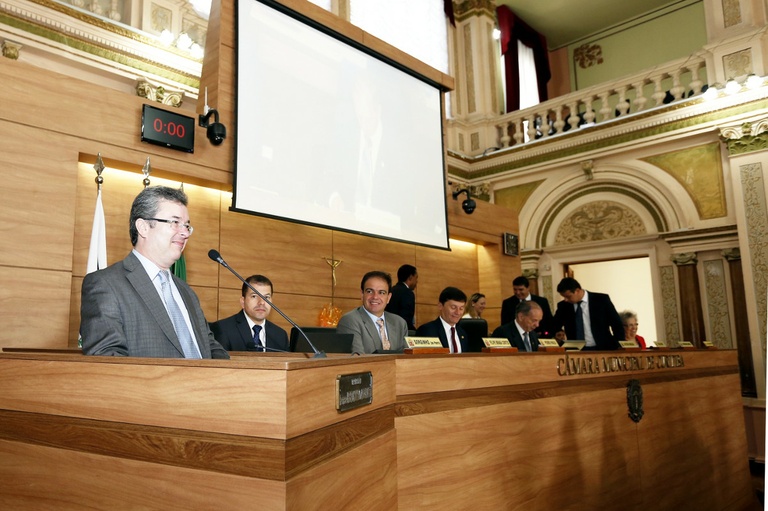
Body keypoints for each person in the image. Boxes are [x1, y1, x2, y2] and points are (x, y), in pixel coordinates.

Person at [80, 186, 229, 359]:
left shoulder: (186, 291)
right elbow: (107, 360)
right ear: (143, 227)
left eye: (187, 225)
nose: (185, 233)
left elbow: (210, 347)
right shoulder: (106, 285)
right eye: (175, 223)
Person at [209, 275, 289, 352]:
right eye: (254, 296)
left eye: (266, 297)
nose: (261, 302)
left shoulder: (280, 335)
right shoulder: (223, 329)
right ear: (243, 302)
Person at [337, 270, 409, 354]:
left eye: (381, 292)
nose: (375, 297)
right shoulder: (350, 321)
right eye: (369, 291)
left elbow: (405, 357)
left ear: (388, 297)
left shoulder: (400, 323)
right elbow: (357, 358)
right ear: (362, 294)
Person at [552, 277, 623, 351]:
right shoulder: (564, 306)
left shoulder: (601, 300)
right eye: (564, 297)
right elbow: (555, 326)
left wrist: (618, 345)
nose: (566, 300)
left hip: (603, 348)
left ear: (577, 291)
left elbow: (616, 324)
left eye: (568, 296)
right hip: (575, 350)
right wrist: (559, 332)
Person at [415, 287, 469, 354]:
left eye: (461, 308)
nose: (458, 312)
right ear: (440, 306)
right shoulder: (427, 331)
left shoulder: (463, 333)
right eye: (453, 307)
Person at [385, 264, 418, 330]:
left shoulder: (391, 290)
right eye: (416, 278)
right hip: (401, 331)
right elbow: (406, 319)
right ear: (410, 277)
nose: (417, 281)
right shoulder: (408, 293)